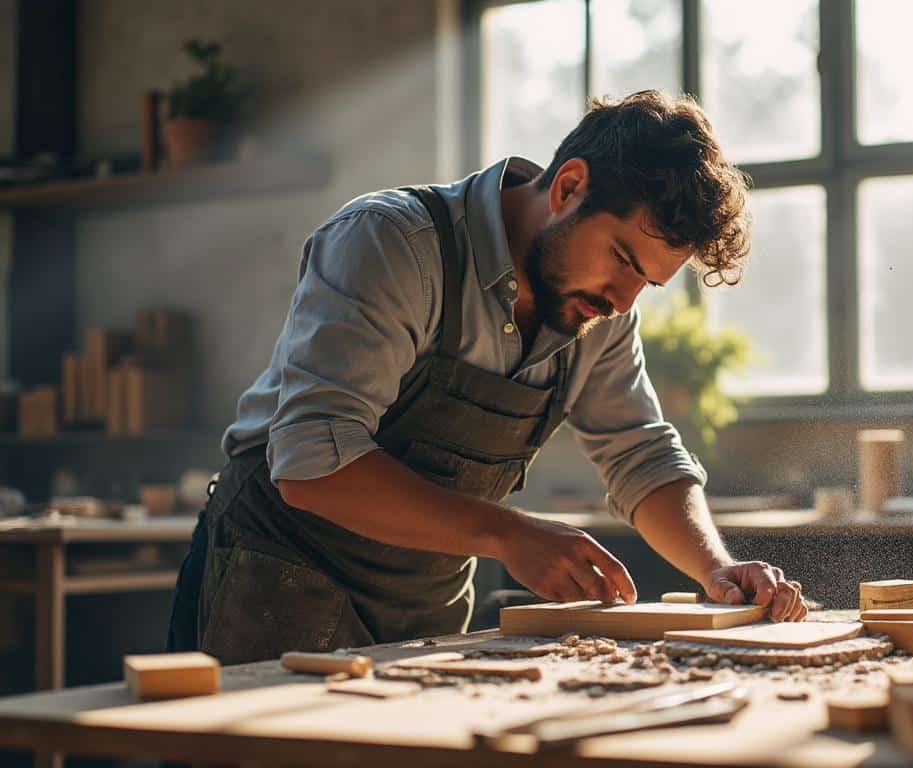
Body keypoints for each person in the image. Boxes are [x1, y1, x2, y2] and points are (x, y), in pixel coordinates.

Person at [167, 90, 807, 665]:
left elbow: (640, 454)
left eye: (648, 282)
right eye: (621, 259)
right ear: (568, 188)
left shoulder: (598, 311)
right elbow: (313, 462)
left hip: (421, 615)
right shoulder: (390, 245)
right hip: (274, 584)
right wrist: (510, 533)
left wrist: (717, 570)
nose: (623, 299)